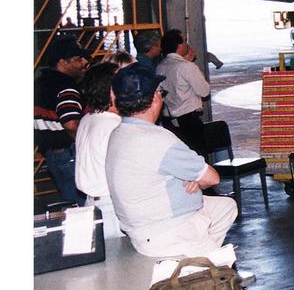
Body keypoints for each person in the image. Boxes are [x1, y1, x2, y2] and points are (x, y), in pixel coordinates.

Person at [104, 65, 237, 258]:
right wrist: (197, 180)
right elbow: (212, 178)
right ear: (154, 99)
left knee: (226, 207)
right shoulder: (158, 139)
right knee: (225, 274)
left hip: (142, 226)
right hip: (168, 230)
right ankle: (202, 259)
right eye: (159, 91)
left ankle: (199, 254)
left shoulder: (119, 132)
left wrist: (193, 179)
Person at [34, 38, 91, 204]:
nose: (84, 63)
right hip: (69, 154)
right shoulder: (65, 86)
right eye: (78, 59)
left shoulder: (40, 82)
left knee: (70, 203)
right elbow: (72, 125)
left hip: (53, 154)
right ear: (62, 62)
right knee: (82, 206)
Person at [73, 60, 125, 237]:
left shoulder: (89, 118)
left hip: (93, 204)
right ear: (111, 91)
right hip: (112, 208)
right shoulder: (114, 125)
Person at [155, 29, 210, 153]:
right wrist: (190, 65)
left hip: (169, 121)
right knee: (198, 157)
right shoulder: (186, 67)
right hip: (189, 121)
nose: (187, 44)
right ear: (179, 46)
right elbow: (204, 91)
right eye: (185, 41)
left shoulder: (160, 67)